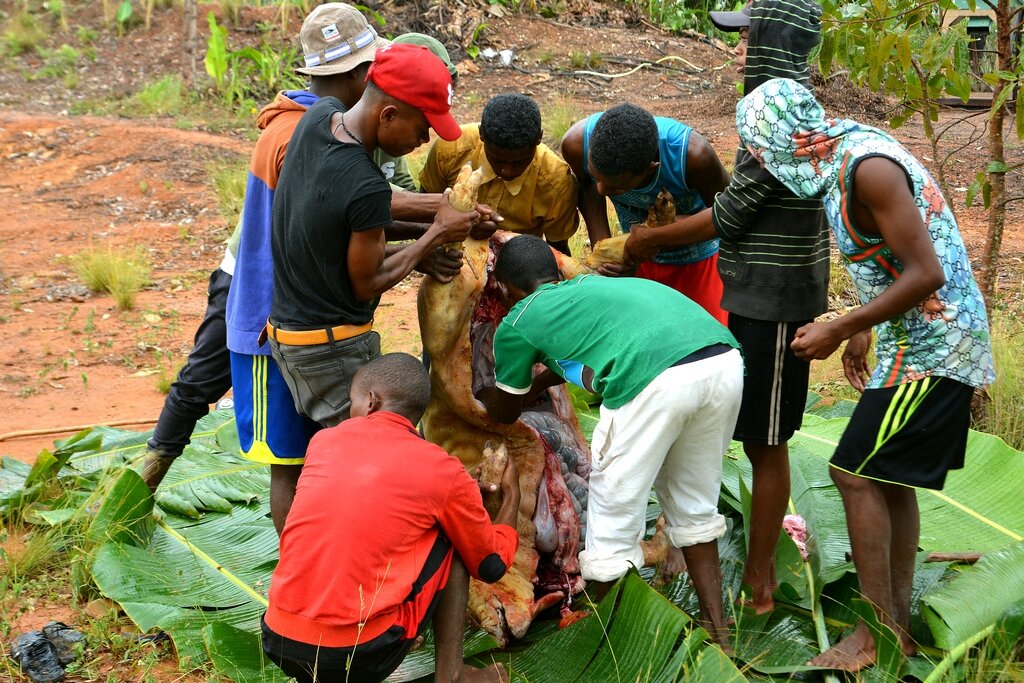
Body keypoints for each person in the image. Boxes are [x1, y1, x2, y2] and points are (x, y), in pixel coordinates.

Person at [139, 4, 470, 498]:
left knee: (319, 448)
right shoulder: (303, 134)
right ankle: (146, 476)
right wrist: (437, 221)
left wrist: (427, 233)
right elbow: (361, 207)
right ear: (366, 78)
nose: (423, 138)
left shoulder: (333, 121)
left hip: (306, 307)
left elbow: (367, 211)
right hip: (265, 295)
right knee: (243, 417)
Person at [737, 77, 995, 671]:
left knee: (850, 472)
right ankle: (894, 622)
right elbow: (889, 258)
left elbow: (926, 271)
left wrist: (839, 324)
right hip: (912, 339)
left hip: (938, 346)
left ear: (783, 139)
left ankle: (876, 634)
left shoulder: (868, 169)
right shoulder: (838, 160)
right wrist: (863, 328)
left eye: (758, 147)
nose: (758, 159)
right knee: (887, 476)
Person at [625, 0, 826, 616]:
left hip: (777, 301)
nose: (738, 48)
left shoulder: (782, 113)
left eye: (748, 37)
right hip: (755, 292)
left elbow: (732, 213)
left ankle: (761, 584)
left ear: (774, 40)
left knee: (766, 442)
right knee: (749, 431)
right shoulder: (774, 106)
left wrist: (647, 239)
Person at [475, 235, 744, 649]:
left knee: (611, 514)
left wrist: (490, 392)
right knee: (694, 504)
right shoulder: (594, 286)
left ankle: (621, 648)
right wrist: (544, 375)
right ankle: (719, 633)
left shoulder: (519, 319)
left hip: (654, 381)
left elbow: (506, 410)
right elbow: (594, 349)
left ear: (507, 288)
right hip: (722, 362)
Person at [262, 353, 519, 683]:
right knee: (452, 533)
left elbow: (377, 490)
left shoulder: (324, 441)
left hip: (280, 640)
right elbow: (490, 564)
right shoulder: (440, 470)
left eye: (351, 401)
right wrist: (512, 496)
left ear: (370, 401)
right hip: (359, 654)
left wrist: (458, 488)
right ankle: (453, 676)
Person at [267, 43, 477, 443]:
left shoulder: (319, 117)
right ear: (389, 114)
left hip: (292, 331)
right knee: (380, 457)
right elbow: (367, 280)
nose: (424, 139)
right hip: (329, 348)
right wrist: (435, 235)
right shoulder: (363, 182)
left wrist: (422, 242)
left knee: (331, 460)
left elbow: (341, 223)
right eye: (422, 128)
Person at [560, 103, 730, 323]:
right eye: (597, 177)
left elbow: (729, 213)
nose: (602, 189)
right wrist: (605, 250)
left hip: (697, 258)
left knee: (703, 336)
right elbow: (586, 187)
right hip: (635, 257)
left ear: (651, 168)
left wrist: (654, 236)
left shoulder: (693, 156)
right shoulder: (576, 144)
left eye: (616, 188)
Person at [419, 93, 580, 254]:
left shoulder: (557, 181)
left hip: (517, 261)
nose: (507, 171)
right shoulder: (449, 149)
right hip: (450, 252)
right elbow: (421, 210)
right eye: (497, 160)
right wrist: (462, 226)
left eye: (519, 162)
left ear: (539, 138)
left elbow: (557, 250)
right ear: (481, 134)